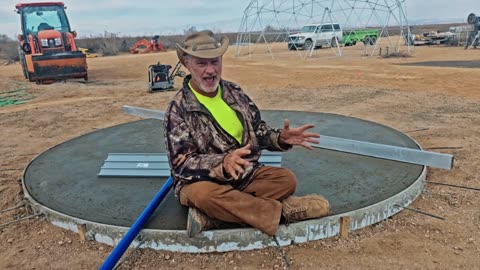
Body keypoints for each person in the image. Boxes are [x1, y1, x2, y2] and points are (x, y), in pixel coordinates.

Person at [164, 30, 330, 237]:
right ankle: (282, 212)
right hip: (203, 182)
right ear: (187, 64)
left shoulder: (234, 92)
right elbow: (181, 164)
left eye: (215, 62)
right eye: (201, 63)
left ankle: (212, 216)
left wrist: (279, 138)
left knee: (286, 180)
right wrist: (222, 163)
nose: (210, 70)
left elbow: (258, 129)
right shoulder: (178, 109)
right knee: (203, 195)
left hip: (244, 175)